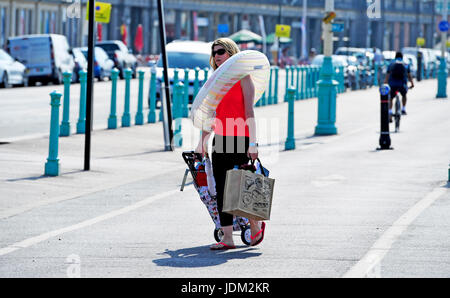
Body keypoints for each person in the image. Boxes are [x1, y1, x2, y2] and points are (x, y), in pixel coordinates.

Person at [195, 38, 266, 250]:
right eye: (214, 52)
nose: (217, 56)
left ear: (231, 53)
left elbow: (249, 113)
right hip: (221, 140)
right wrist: (203, 141)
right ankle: (227, 238)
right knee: (221, 188)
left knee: (244, 186)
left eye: (221, 52)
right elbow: (210, 114)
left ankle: (256, 225)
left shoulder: (244, 79)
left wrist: (252, 143)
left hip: (241, 139)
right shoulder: (215, 82)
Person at [384, 51, 414, 119]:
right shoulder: (406, 64)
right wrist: (412, 84)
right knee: (404, 95)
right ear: (402, 57)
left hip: (392, 84)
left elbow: (387, 75)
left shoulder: (391, 64)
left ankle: (390, 112)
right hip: (402, 84)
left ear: (395, 57)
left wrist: (385, 83)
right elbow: (409, 76)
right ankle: (403, 109)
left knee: (391, 98)